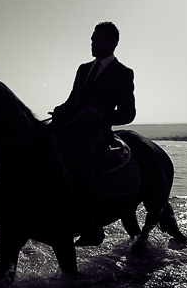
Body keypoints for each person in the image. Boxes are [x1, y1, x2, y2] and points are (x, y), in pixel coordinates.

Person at [51, 21, 136, 246]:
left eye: (97, 40)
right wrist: (62, 109)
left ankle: (91, 227)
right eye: (92, 39)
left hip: (96, 132)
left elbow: (128, 113)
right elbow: (72, 101)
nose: (92, 44)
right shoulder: (83, 69)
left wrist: (98, 115)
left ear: (112, 43)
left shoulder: (123, 73)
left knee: (79, 159)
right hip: (71, 126)